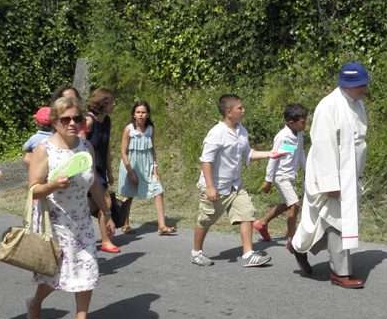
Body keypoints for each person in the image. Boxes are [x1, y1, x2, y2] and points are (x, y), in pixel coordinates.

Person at [25, 96, 115, 319]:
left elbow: (94, 182)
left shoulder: (85, 147)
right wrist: (53, 184)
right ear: (55, 122)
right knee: (56, 276)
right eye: (66, 119)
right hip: (56, 221)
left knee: (88, 269)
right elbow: (33, 189)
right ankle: (34, 303)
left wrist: (106, 214)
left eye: (77, 118)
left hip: (82, 219)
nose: (73, 123)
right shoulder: (44, 149)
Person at [289, 62, 370, 288]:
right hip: (332, 173)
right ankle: (340, 273)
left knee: (318, 221)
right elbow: (323, 146)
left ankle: (297, 246)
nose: (364, 89)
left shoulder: (358, 104)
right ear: (348, 85)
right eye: (360, 85)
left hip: (349, 172)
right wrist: (330, 183)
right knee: (338, 220)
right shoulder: (329, 106)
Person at [191, 94, 282, 268]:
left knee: (247, 212)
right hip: (216, 187)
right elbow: (206, 161)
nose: (243, 110)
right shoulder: (216, 133)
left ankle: (248, 254)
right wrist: (210, 187)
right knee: (205, 220)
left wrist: (270, 154)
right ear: (228, 112)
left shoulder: (241, 130)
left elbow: (248, 153)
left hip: (235, 185)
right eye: (239, 108)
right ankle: (196, 252)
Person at [116, 100, 175, 235]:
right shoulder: (128, 129)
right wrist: (130, 172)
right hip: (131, 165)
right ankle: (125, 223)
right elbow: (123, 152)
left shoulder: (150, 129)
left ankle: (162, 226)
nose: (141, 115)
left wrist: (155, 169)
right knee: (129, 195)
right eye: (138, 112)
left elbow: (152, 150)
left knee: (158, 190)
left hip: (147, 165)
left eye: (143, 112)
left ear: (148, 114)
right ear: (134, 115)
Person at [254, 104, 308, 243]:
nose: (305, 124)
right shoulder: (282, 137)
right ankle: (292, 237)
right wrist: (268, 180)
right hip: (281, 176)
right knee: (294, 205)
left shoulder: (299, 134)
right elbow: (274, 157)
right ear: (291, 122)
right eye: (302, 122)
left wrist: (308, 171)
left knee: (288, 202)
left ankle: (262, 223)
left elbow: (301, 152)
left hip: (292, 176)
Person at [85, 88, 119, 253]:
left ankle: (104, 240)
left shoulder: (107, 121)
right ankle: (103, 240)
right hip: (88, 169)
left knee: (100, 204)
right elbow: (79, 147)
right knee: (103, 203)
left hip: (101, 167)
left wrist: (110, 171)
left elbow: (106, 148)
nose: (114, 104)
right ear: (103, 103)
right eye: (112, 102)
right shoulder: (88, 122)